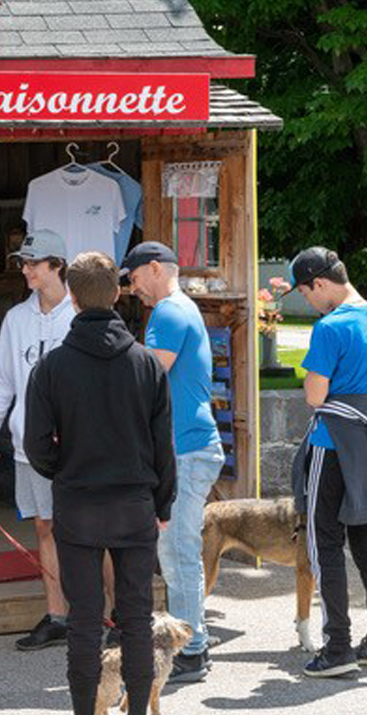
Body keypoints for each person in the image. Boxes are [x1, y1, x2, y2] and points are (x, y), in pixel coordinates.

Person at [24, 251, 176, 715]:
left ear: (71, 295)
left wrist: (63, 469)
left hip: (79, 503)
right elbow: (162, 446)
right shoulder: (146, 364)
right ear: (116, 294)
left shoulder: (51, 368)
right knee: (135, 620)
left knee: (84, 623)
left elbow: (34, 445)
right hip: (135, 503)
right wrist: (163, 501)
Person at [287, 246, 367, 677]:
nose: (308, 302)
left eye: (305, 292)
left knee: (325, 544)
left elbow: (316, 396)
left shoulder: (330, 327)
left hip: (331, 443)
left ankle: (337, 648)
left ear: (318, 282)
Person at [123, 241, 224, 682]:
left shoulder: (167, 312)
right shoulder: (181, 308)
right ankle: (195, 637)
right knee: (180, 549)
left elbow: (146, 378)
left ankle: (193, 651)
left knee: (178, 551)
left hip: (185, 449)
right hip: (188, 447)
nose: (131, 286)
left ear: (155, 269)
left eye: (134, 276)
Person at [0, 229, 75, 651]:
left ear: (57, 265)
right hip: (27, 445)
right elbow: (1, 378)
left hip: (77, 445)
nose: (25, 269)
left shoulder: (82, 312)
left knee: (92, 529)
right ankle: (58, 616)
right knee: (44, 526)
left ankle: (115, 614)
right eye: (22, 262)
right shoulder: (17, 318)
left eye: (33, 262)